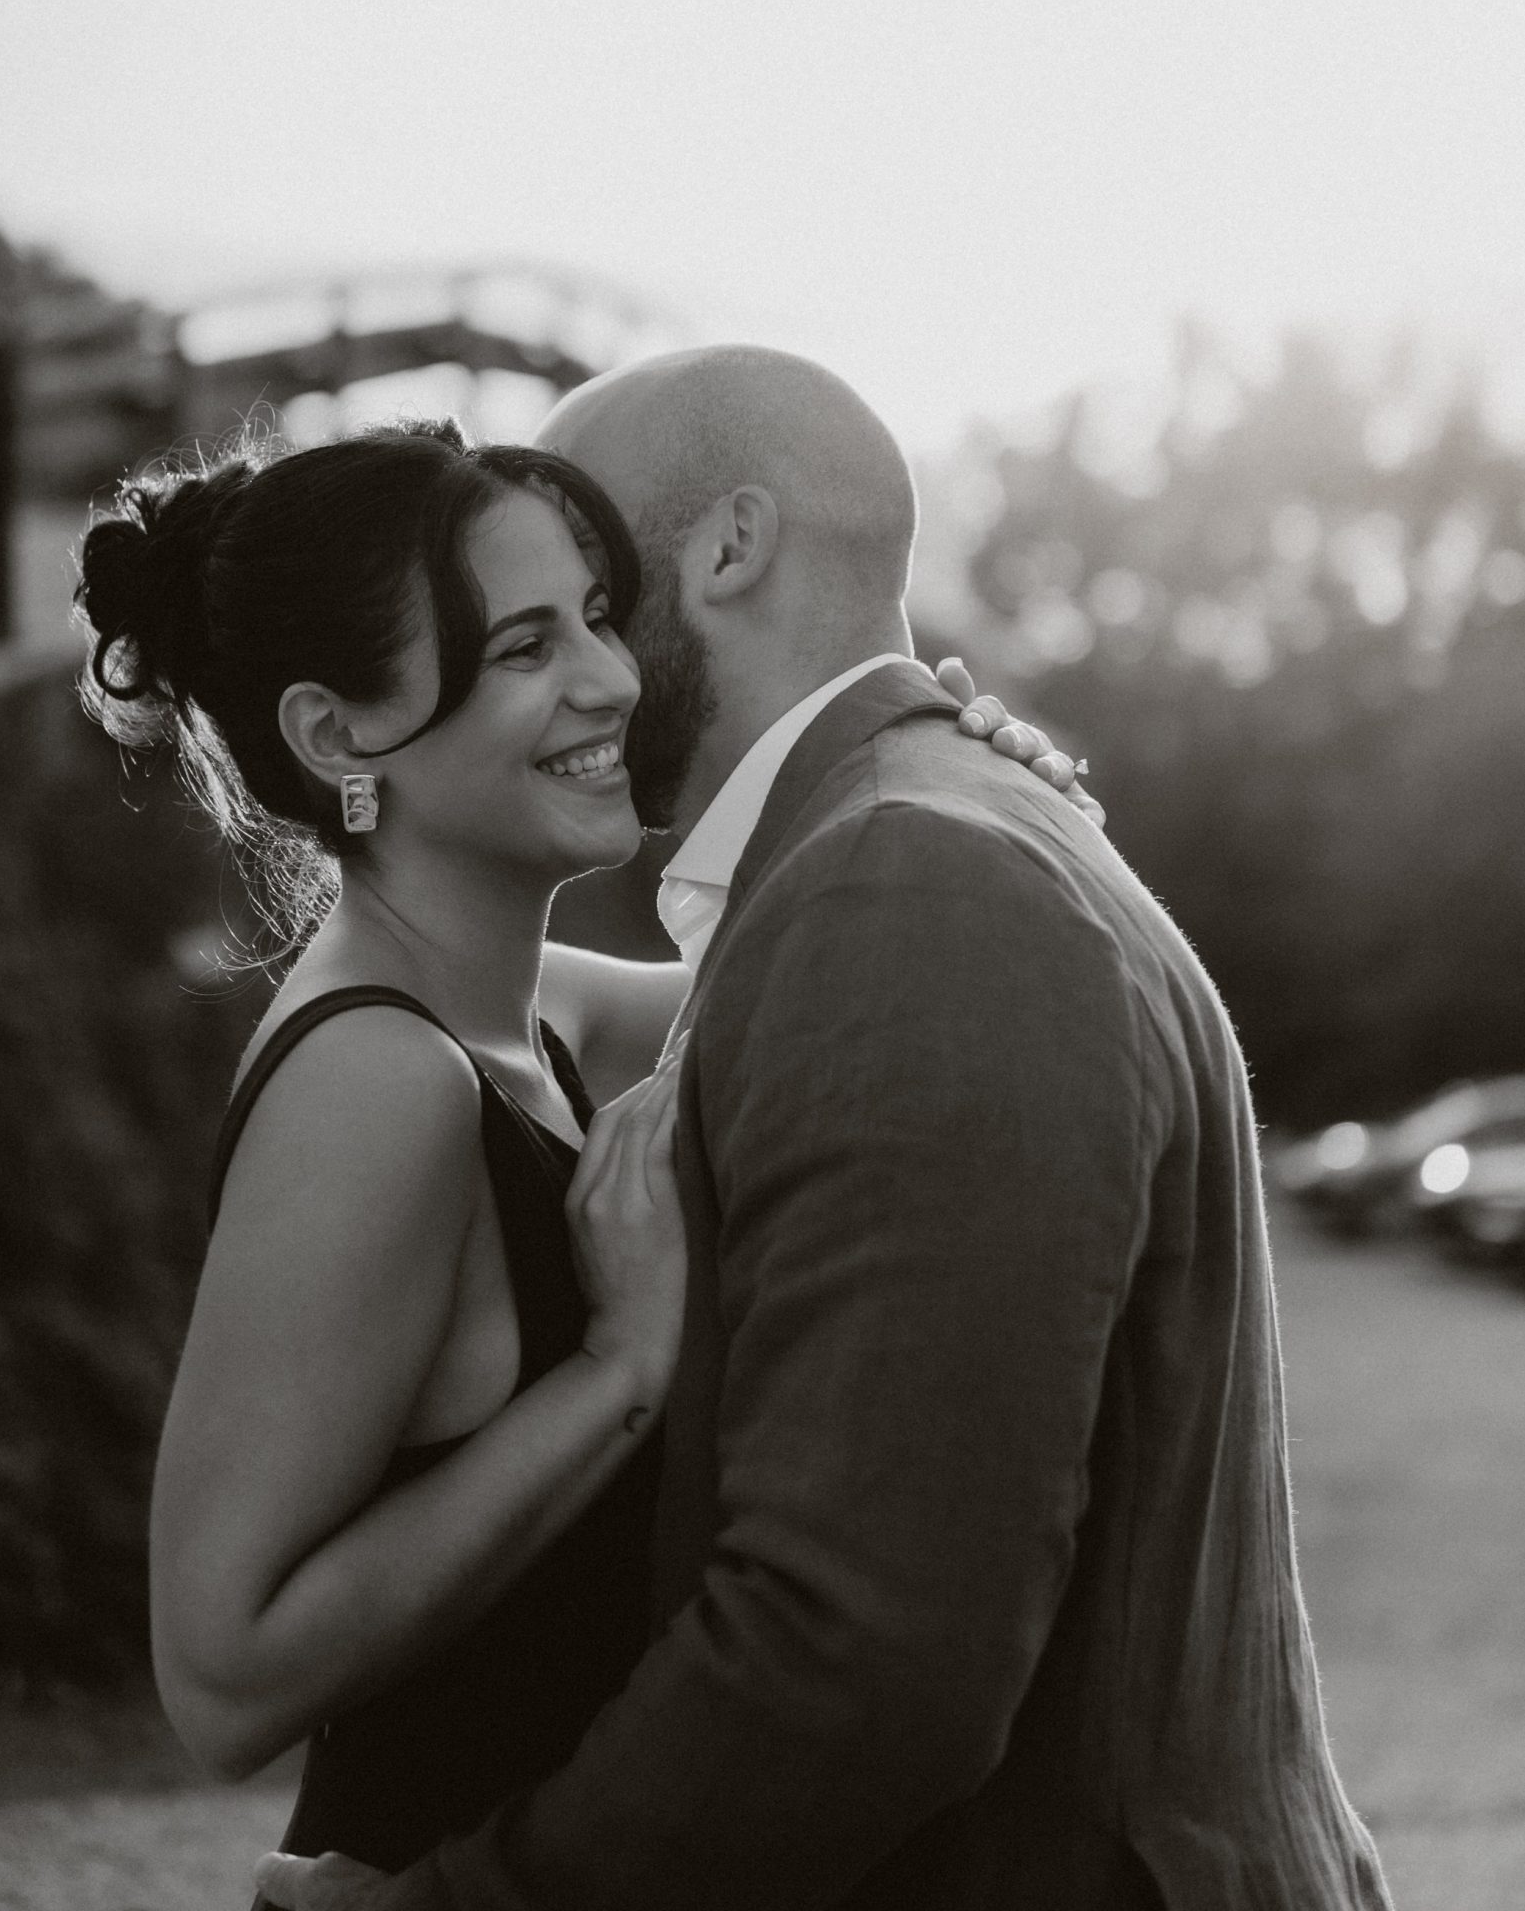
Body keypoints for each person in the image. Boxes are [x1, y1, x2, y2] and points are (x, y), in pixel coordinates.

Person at [257, 347, 1392, 1911]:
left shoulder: (909, 884)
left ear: (727, 547)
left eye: (588, 588)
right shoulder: (899, 851)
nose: (580, 667)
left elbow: (858, 1660)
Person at [76, 415, 1066, 1886]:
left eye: (597, 617)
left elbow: (827, 968)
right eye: (525, 648)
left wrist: (945, 780)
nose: (612, 680)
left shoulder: (530, 1012)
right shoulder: (375, 1080)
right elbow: (221, 1679)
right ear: (339, 737)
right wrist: (616, 1374)